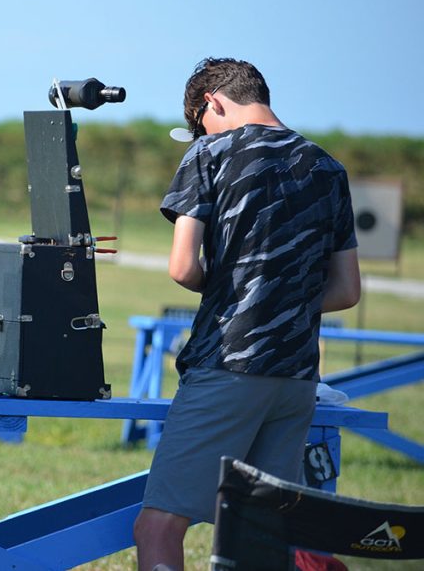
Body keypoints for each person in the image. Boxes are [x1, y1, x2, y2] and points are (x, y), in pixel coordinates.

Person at [132, 58, 361, 570]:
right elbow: (346, 290)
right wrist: (283, 299)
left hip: (228, 362)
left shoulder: (210, 154)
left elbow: (182, 267)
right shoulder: (328, 167)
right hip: (298, 375)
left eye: (199, 122)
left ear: (214, 101)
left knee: (158, 526)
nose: (199, 133)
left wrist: (237, 295)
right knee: (261, 538)